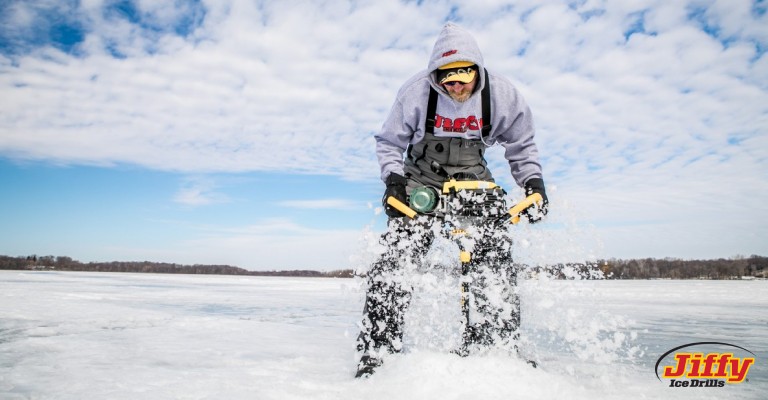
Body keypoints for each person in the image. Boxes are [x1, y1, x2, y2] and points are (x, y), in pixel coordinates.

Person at [355, 23, 548, 378]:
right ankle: (378, 351)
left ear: (476, 69)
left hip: (472, 177)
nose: (455, 86)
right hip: (421, 176)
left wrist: (533, 182)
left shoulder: (502, 94)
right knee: (398, 255)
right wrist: (393, 180)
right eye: (447, 80)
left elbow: (522, 144)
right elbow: (389, 142)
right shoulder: (415, 93)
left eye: (462, 77)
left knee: (493, 259)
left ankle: (499, 348)